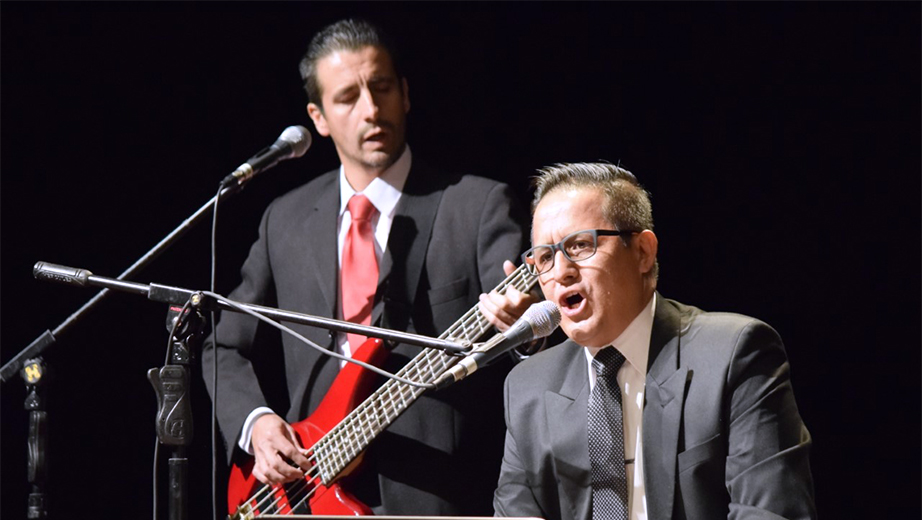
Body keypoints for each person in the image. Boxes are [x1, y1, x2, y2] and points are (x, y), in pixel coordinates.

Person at [203, 19, 534, 516]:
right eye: (347, 98)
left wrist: (523, 324)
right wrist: (256, 423)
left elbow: (526, 332)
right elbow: (223, 344)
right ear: (317, 117)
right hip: (304, 492)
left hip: (437, 494)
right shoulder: (284, 220)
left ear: (405, 93)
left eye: (381, 89)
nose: (371, 110)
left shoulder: (478, 204)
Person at [493, 162, 816, 520]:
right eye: (544, 257)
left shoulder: (733, 354)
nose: (561, 271)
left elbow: (770, 512)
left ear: (644, 252)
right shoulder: (528, 390)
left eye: (580, 245)